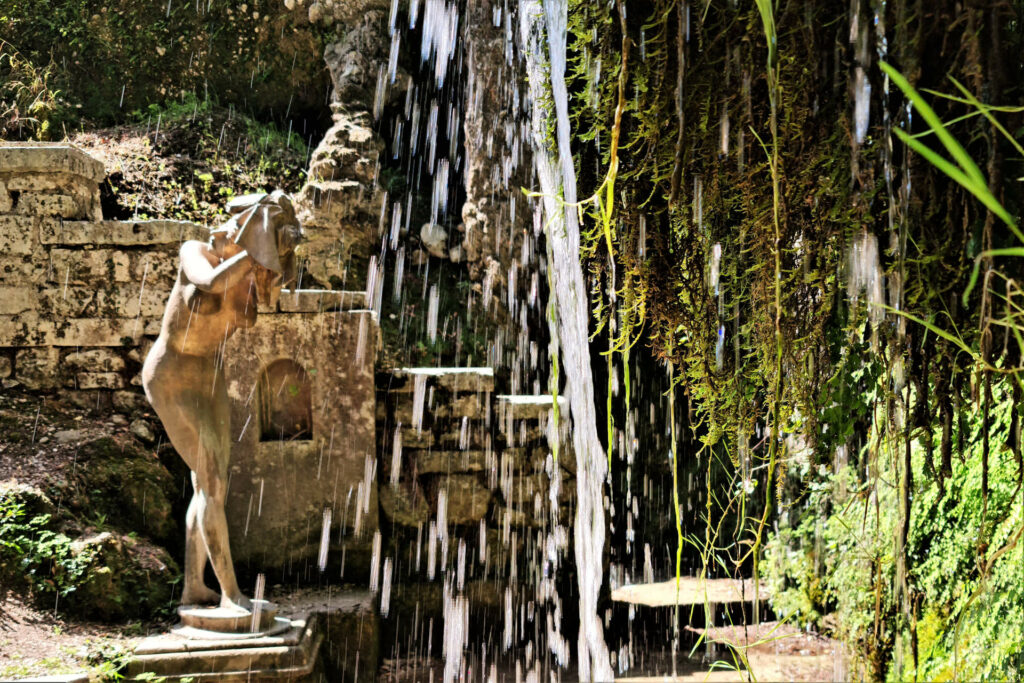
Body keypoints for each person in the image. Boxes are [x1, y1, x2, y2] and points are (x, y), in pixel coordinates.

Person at [142, 191, 301, 611]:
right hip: (173, 375)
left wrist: (274, 260)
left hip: (211, 375)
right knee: (210, 481)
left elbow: (265, 299)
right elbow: (208, 284)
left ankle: (195, 586)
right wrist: (253, 253)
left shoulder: (245, 276)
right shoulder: (194, 252)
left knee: (211, 483)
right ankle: (231, 595)